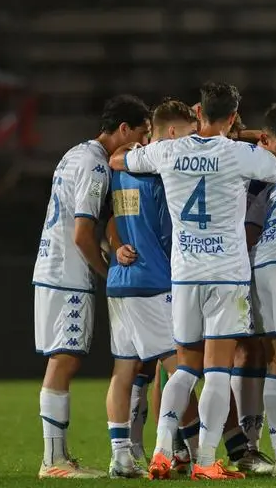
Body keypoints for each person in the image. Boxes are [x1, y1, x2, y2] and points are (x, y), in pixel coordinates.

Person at [109, 81, 276, 481]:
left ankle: (161, 451)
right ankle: (205, 460)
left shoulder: (166, 150)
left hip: (185, 275)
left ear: (198, 112)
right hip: (227, 275)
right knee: (218, 370)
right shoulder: (242, 154)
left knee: (183, 367)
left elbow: (118, 159)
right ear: (234, 117)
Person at [33, 94, 151, 479]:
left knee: (64, 357)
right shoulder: (95, 166)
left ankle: (57, 457)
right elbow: (84, 234)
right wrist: (107, 271)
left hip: (53, 265)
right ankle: (53, 461)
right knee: (64, 359)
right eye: (141, 134)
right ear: (123, 129)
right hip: (68, 271)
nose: (143, 143)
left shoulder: (75, 154)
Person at [104, 99, 199, 478]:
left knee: (123, 371)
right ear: (172, 134)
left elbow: (112, 218)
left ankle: (120, 455)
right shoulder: (160, 171)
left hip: (120, 281)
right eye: (189, 135)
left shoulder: (120, 169)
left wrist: (115, 245)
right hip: (152, 280)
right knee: (182, 371)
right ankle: (190, 452)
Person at [230, 103, 276, 474]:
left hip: (255, 264)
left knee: (261, 352)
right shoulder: (248, 163)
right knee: (242, 351)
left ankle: (252, 446)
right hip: (235, 263)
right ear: (265, 141)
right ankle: (246, 444)